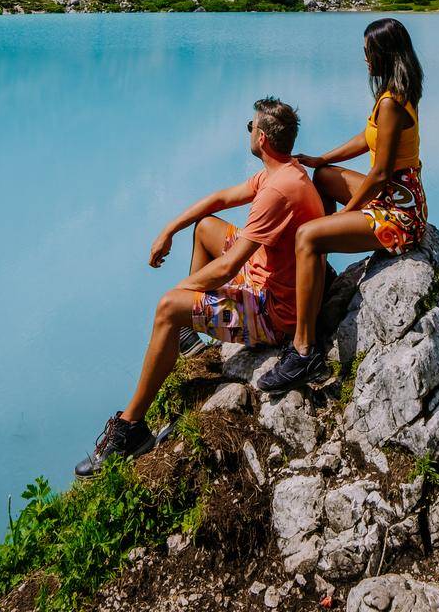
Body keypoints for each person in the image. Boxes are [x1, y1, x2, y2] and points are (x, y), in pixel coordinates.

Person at [75, 96, 323, 476]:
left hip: (274, 315)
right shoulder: (280, 173)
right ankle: (190, 335)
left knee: (167, 307)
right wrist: (169, 229)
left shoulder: (277, 192)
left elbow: (227, 267)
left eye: (250, 126)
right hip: (266, 280)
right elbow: (221, 200)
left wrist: (181, 292)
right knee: (207, 228)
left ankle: (131, 428)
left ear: (262, 139)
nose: (249, 131)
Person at [257, 17, 427, 393]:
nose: (365, 58)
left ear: (383, 53)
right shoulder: (395, 94)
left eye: (369, 51)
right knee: (324, 178)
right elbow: (367, 139)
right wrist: (321, 160)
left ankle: (303, 351)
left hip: (399, 212)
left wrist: (350, 210)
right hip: (399, 195)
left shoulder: (391, 103)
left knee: (307, 236)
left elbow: (380, 173)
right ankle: (317, 272)